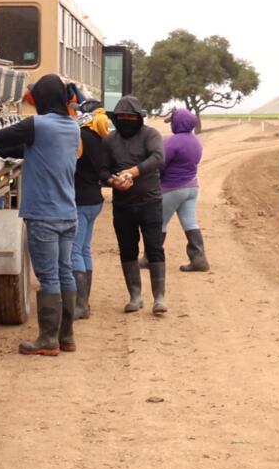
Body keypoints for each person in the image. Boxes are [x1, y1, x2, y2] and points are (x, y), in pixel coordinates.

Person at [0, 74, 82, 355]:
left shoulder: (36, 125)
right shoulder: (72, 127)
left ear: (41, 99)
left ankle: (47, 340)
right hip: (67, 213)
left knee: (49, 277)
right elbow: (36, 150)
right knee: (65, 273)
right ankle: (67, 337)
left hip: (43, 215)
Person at [103, 95, 167, 315]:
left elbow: (158, 157)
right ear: (115, 118)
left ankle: (159, 298)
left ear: (139, 118)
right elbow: (102, 169)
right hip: (122, 206)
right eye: (122, 117)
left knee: (154, 248)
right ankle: (135, 297)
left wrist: (132, 172)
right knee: (127, 249)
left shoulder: (151, 135)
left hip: (150, 203)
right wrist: (113, 181)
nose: (126, 120)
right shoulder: (110, 140)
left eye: (131, 117)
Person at [71, 94, 113, 318]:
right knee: (85, 249)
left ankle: (80, 305)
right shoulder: (102, 137)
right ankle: (84, 303)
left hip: (80, 200)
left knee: (75, 251)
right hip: (95, 200)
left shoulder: (80, 135)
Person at [160, 108, 209, 272]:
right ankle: (199, 259)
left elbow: (161, 164)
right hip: (191, 187)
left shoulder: (172, 141)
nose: (171, 124)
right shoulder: (196, 141)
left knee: (159, 223)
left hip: (171, 188)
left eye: (172, 121)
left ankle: (150, 257)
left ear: (177, 122)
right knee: (190, 223)